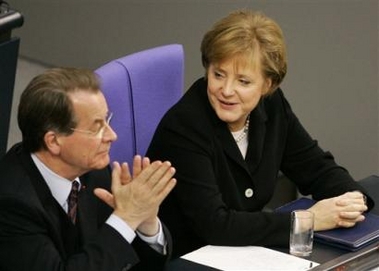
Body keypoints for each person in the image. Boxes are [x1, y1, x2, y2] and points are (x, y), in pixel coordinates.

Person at [146, 9, 375, 258]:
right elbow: (215, 224)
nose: (227, 90)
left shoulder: (271, 105)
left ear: (268, 85)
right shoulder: (184, 126)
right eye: (218, 74)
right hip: (191, 257)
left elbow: (314, 166)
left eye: (243, 81)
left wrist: (351, 199)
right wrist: (308, 220)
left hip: (247, 251)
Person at [0, 67, 177, 271]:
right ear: (54, 141)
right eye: (96, 127)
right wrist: (126, 218)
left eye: (107, 121)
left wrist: (145, 222)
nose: (112, 136)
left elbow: (128, 260)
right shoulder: (11, 205)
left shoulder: (91, 169)